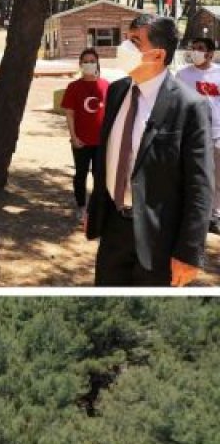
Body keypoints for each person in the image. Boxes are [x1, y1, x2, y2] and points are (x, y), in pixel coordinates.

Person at [86, 14, 214, 287]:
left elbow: (200, 186)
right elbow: (106, 157)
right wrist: (95, 209)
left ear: (157, 55)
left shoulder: (189, 106)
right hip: (114, 229)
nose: (125, 48)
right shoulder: (117, 92)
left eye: (135, 42)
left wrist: (189, 252)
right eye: (126, 39)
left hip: (160, 238)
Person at [176, 36, 220, 236]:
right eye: (193, 48)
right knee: (191, 175)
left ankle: (214, 215)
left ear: (210, 53)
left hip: (217, 134)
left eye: (200, 48)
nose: (195, 52)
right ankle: (192, 213)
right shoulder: (182, 75)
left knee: (216, 177)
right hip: (191, 134)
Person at [61, 49, 109, 227]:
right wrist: (73, 137)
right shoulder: (74, 87)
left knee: (100, 176)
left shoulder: (107, 86)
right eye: (85, 61)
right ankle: (81, 206)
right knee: (80, 175)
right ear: (80, 64)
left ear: (97, 63)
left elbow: (111, 115)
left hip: (101, 143)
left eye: (92, 61)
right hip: (81, 141)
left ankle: (96, 209)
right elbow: (70, 113)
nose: (89, 64)